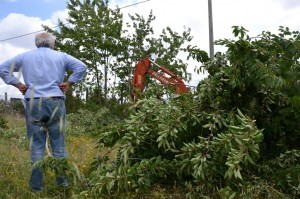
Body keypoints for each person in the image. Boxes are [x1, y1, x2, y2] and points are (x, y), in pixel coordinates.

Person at [0, 32, 87, 192]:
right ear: (52, 44)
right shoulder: (61, 56)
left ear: (36, 44)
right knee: (59, 147)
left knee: (37, 147)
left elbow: (3, 68)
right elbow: (81, 67)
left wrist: (18, 85)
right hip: (55, 101)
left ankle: (36, 189)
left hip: (33, 102)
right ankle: (63, 186)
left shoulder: (25, 57)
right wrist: (69, 83)